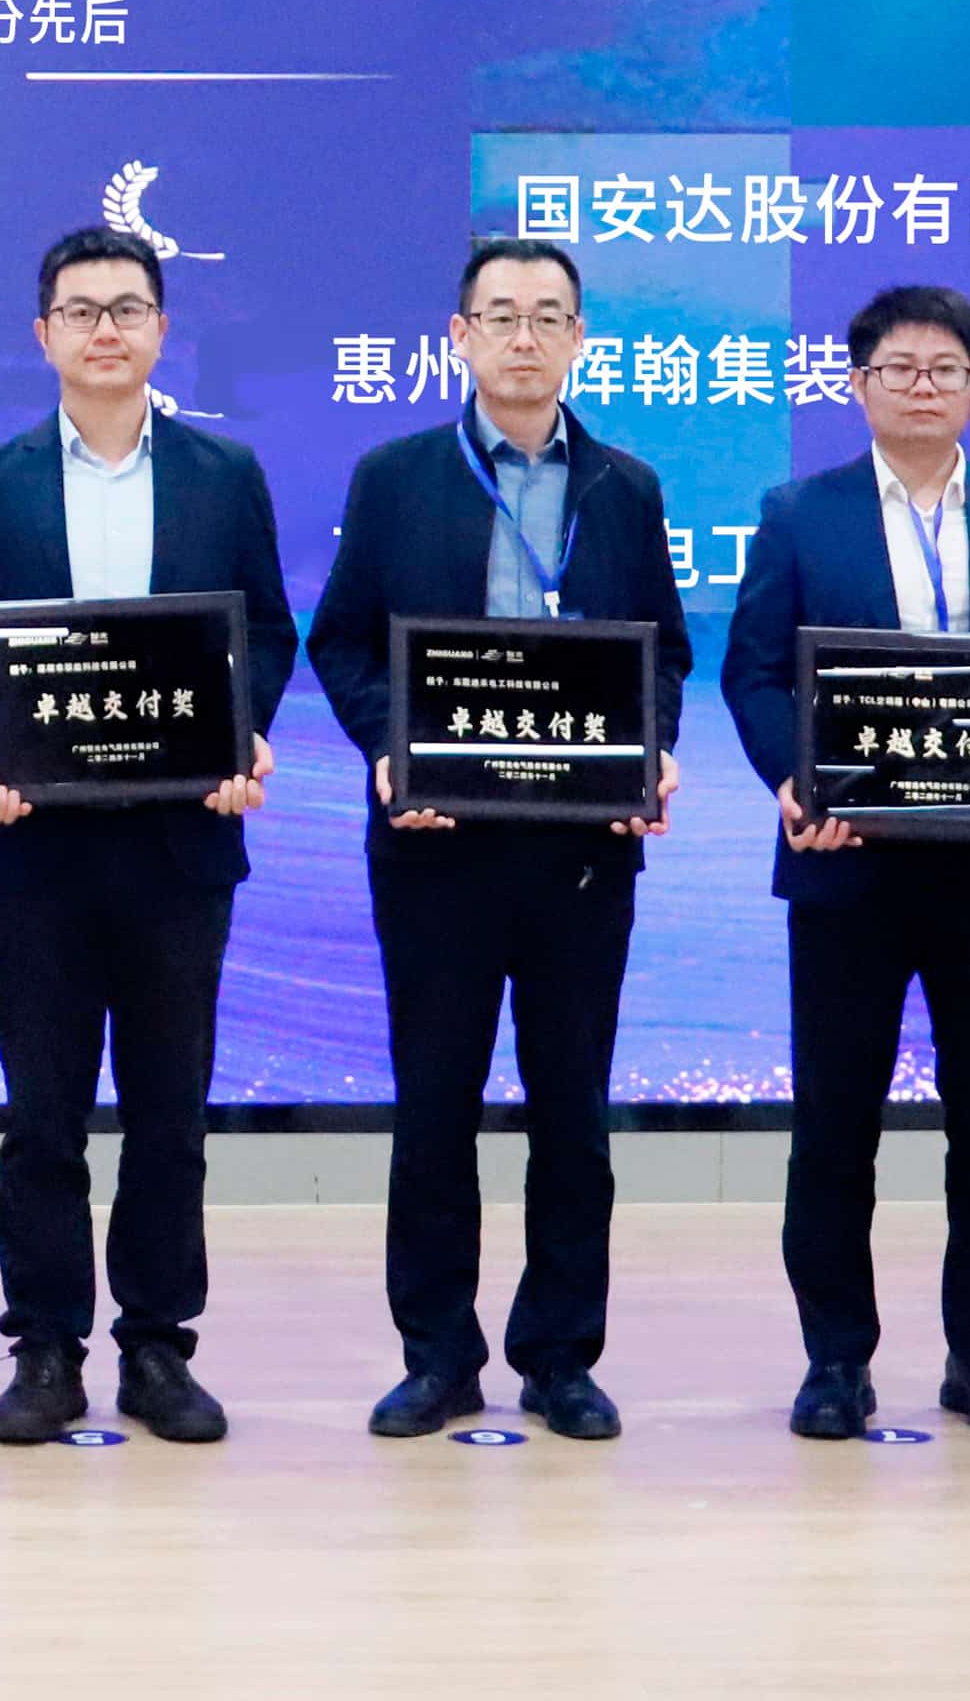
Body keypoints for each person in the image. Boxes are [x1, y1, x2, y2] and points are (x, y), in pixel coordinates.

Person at [309, 236, 689, 1444]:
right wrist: (389, 749)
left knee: (571, 1108)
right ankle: (436, 1354)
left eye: (547, 315)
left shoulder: (623, 485)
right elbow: (341, 641)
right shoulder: (394, 476)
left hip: (580, 850)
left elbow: (661, 651)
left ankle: (559, 1355)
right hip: (434, 843)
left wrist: (650, 749)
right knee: (434, 1105)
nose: (524, 336)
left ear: (578, 338)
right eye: (500, 314)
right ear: (458, 334)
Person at [0, 227, 293, 1446]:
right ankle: (43, 1344)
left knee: (167, 1108)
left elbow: (266, 631)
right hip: (35, 841)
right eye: (79, 310)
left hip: (180, 841)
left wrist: (240, 736)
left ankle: (155, 1343)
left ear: (160, 329)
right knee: (41, 1112)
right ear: (42, 334)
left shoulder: (221, 473)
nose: (104, 330)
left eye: (127, 308)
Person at [721, 284, 970, 1445]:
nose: (920, 385)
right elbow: (754, 673)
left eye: (943, 367)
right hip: (847, 864)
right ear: (858, 385)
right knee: (835, 1122)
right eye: (896, 367)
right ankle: (834, 1359)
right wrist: (793, 779)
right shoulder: (800, 512)